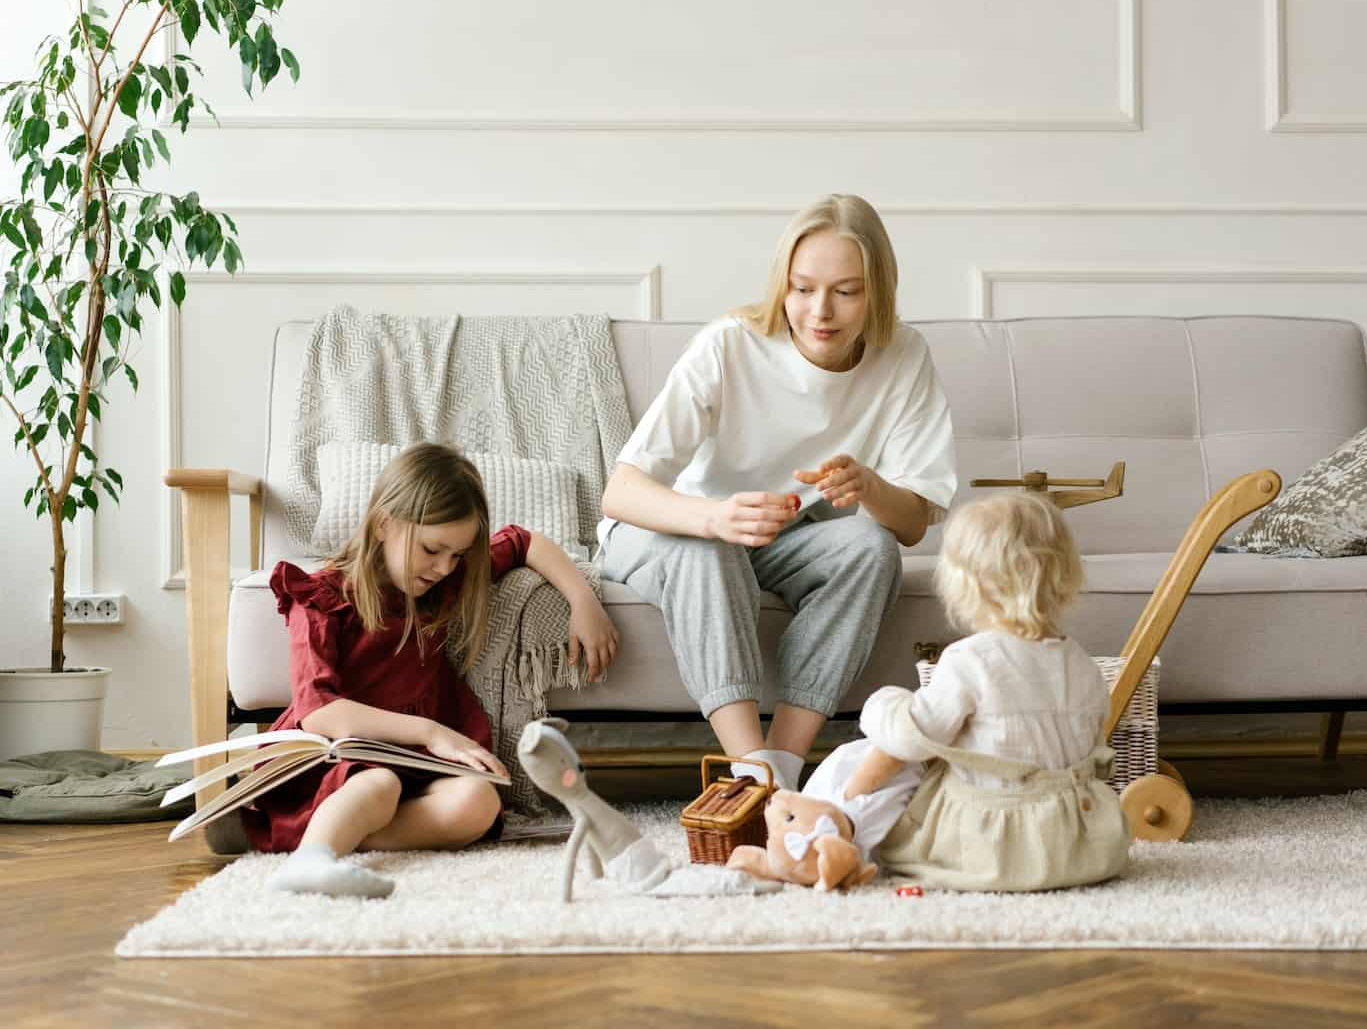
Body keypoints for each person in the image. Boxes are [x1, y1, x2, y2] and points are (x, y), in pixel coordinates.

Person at [599, 194, 957, 793]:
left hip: (782, 541)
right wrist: (713, 517)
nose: (821, 311)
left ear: (879, 291)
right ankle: (750, 772)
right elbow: (622, 491)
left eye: (847, 291)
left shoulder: (904, 355)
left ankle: (785, 767)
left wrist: (870, 485)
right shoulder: (729, 344)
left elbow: (913, 523)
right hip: (674, 530)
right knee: (707, 549)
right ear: (782, 286)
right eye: (802, 288)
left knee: (872, 545)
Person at [251, 442, 619, 898]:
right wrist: (430, 732)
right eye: (432, 549)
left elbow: (525, 542)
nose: (446, 568)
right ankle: (308, 859)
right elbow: (319, 711)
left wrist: (584, 601)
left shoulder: (440, 584)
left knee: (479, 802)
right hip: (337, 761)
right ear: (385, 523)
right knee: (378, 786)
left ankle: (317, 834)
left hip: (415, 770)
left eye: (458, 555)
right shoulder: (325, 597)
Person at [807, 491, 1129, 891]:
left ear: (965, 584)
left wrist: (880, 713)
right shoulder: (1083, 663)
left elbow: (904, 743)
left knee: (866, 754)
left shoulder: (971, 660)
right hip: (1079, 843)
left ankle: (830, 825)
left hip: (994, 849)